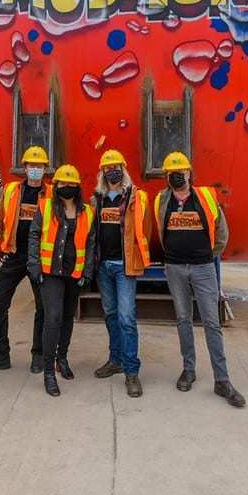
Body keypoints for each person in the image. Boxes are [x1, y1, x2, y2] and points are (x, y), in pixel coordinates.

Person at [153, 151, 245, 408]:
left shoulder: (204, 197)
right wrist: (174, 256)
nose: (176, 176)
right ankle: (188, 369)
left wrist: (207, 256)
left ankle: (222, 380)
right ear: (166, 177)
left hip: (203, 268)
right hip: (174, 268)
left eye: (180, 171)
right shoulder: (162, 200)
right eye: (171, 173)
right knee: (183, 319)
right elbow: (162, 231)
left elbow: (222, 232)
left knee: (211, 322)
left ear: (189, 173)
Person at [0, 146, 52, 374]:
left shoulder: (51, 194)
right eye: (31, 165)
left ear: (45, 169)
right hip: (14, 255)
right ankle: (1, 354)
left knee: (43, 308)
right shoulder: (11, 191)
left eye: (39, 166)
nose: (35, 169)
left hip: (39, 259)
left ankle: (38, 354)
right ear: (25, 168)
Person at [27, 164, 95, 397]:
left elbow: (91, 243)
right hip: (49, 273)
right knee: (53, 318)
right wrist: (34, 265)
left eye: (71, 184)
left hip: (73, 273)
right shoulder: (45, 207)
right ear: (55, 186)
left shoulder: (87, 212)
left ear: (77, 187)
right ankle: (48, 372)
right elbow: (34, 236)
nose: (67, 187)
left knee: (67, 318)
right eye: (62, 184)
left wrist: (87, 272)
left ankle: (62, 359)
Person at [90, 149, 152, 398]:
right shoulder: (97, 198)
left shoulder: (136, 198)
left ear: (123, 169)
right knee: (111, 314)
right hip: (103, 266)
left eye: (116, 166)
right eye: (107, 167)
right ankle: (115, 360)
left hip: (125, 266)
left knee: (127, 318)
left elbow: (144, 229)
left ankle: (131, 371)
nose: (112, 170)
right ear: (102, 172)